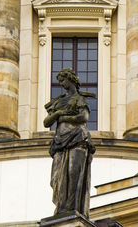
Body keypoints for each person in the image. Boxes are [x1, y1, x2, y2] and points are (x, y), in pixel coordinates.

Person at [43, 68, 96, 218]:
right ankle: (61, 209)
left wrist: (61, 117)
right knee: (57, 178)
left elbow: (83, 117)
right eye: (59, 81)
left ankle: (72, 208)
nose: (61, 83)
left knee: (74, 174)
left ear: (71, 80)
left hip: (78, 138)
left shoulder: (80, 98)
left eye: (63, 80)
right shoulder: (58, 102)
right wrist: (59, 113)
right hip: (60, 141)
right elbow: (47, 122)